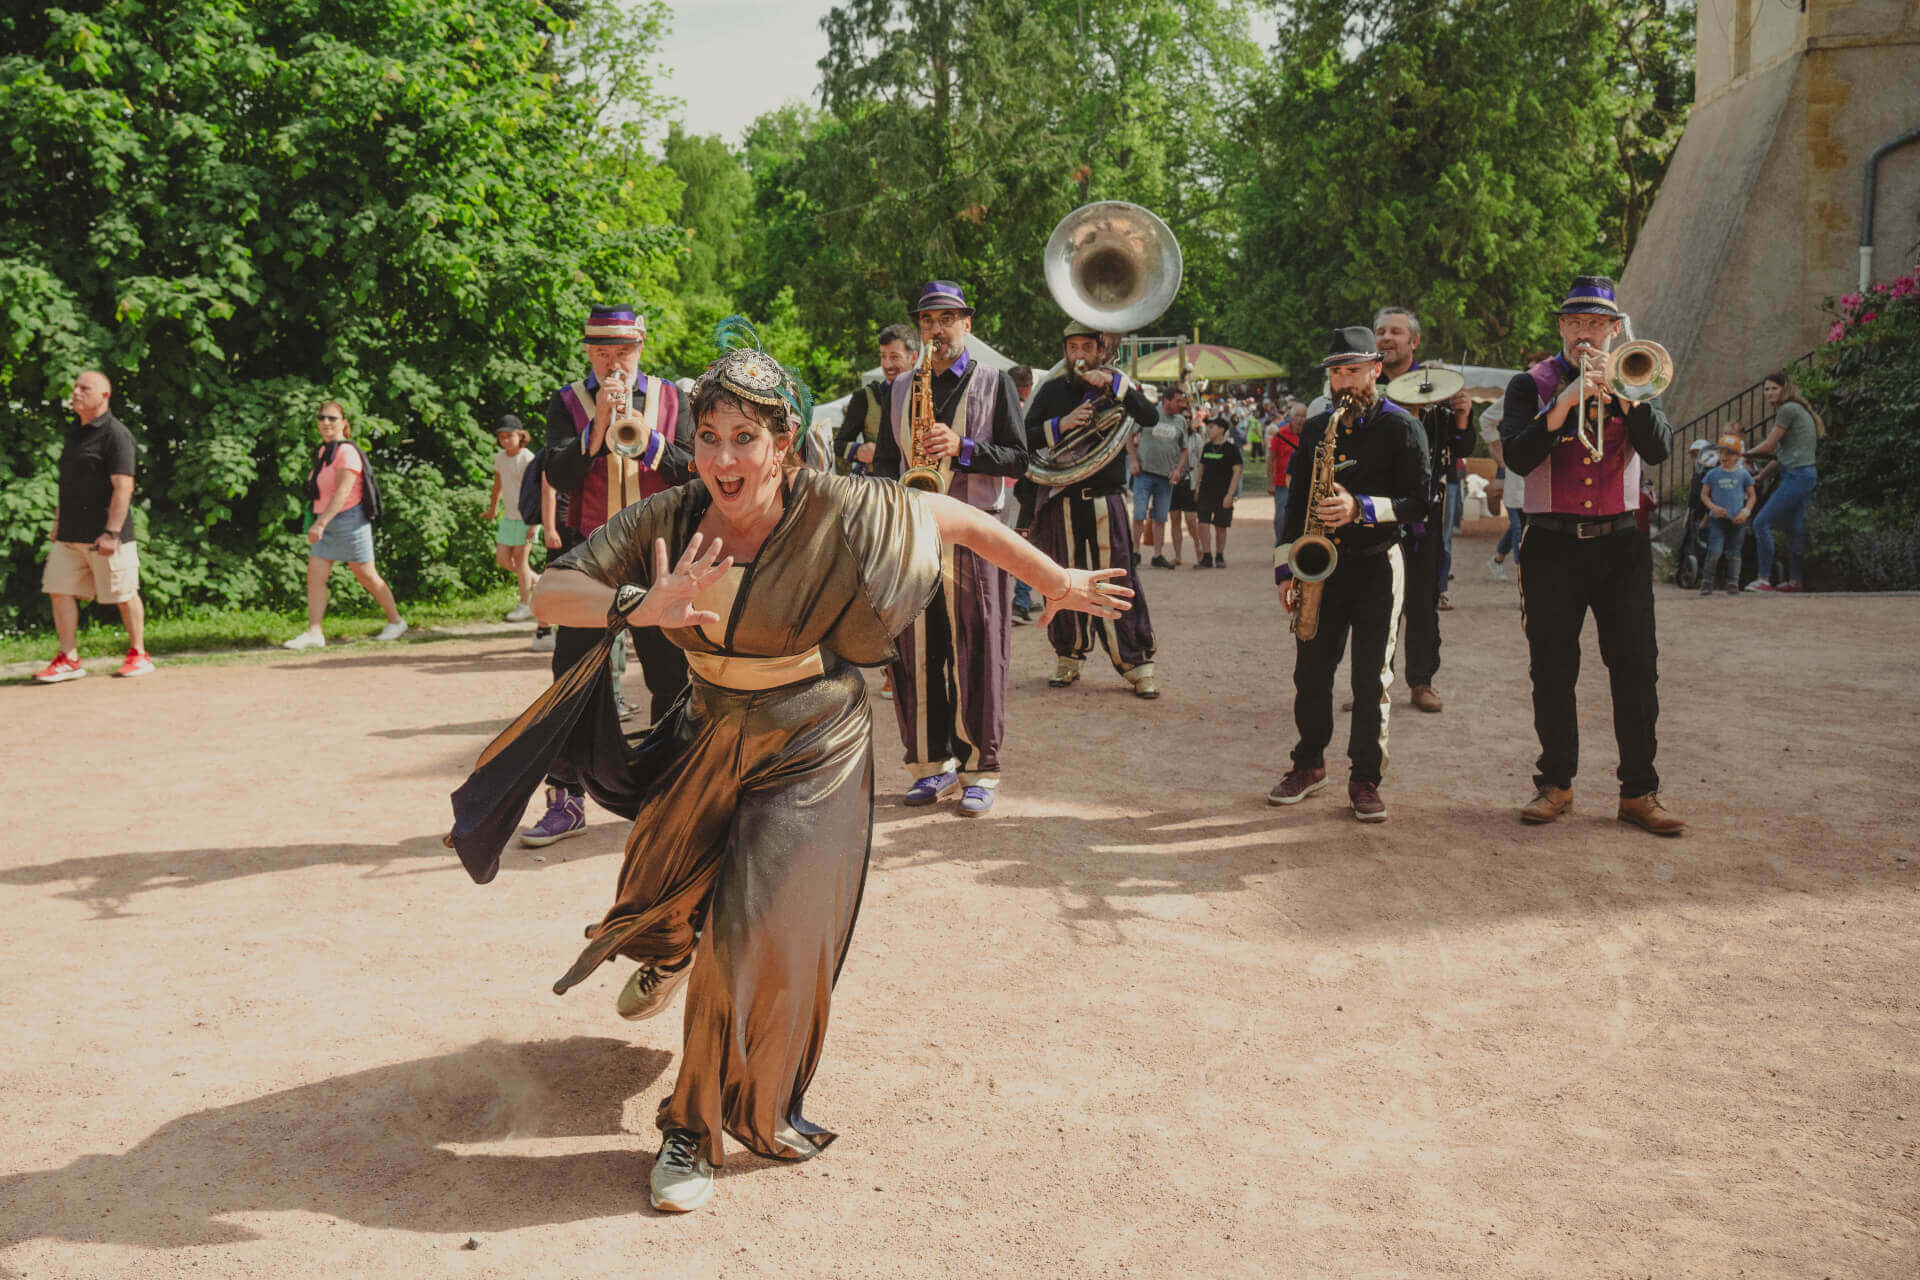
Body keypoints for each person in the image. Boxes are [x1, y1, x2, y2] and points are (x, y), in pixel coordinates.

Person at [450, 344, 1130, 1214]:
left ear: (784, 445)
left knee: (749, 933)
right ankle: (663, 947)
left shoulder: (845, 506)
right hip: (707, 730)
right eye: (708, 437)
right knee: (652, 892)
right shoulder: (670, 516)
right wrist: (637, 606)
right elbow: (552, 592)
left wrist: (1058, 578)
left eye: (745, 438)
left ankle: (694, 1130)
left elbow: (956, 522)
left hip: (814, 738)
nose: (724, 459)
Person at [1499, 276, 1683, 836]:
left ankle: (1639, 792)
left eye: (1597, 325)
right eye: (1576, 323)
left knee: (1635, 669)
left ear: (1614, 330)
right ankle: (1556, 783)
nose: (1586, 335)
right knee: (1553, 668)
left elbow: (1658, 449)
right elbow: (1517, 458)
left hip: (1620, 543)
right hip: (1551, 543)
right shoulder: (1529, 385)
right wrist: (1562, 406)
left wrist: (1629, 397)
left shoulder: (1639, 375)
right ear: (1561, 327)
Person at [522, 305, 694, 847]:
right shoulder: (568, 400)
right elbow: (554, 473)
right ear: (588, 352)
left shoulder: (673, 398)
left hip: (660, 552)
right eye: (600, 352)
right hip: (589, 555)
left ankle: (675, 794)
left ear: (641, 346)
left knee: (671, 677)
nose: (611, 362)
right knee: (574, 675)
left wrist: (651, 442)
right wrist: (596, 427)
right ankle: (566, 799)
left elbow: (693, 469)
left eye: (621, 351)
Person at [869, 282, 1028, 813]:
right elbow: (886, 466)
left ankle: (981, 769)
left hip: (975, 534)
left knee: (978, 650)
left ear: (968, 323)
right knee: (917, 653)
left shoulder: (996, 383)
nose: (937, 330)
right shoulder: (899, 388)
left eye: (947, 319)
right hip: (913, 534)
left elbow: (1018, 459)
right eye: (927, 321)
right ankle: (931, 766)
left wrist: (962, 448)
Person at [1268, 327, 1428, 821]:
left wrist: (1360, 506)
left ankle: (1365, 778)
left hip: (1378, 563)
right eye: (1336, 372)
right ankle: (1309, 764)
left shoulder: (1403, 427)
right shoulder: (1317, 427)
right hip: (1321, 569)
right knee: (1310, 673)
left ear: (1376, 369)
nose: (1343, 382)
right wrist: (1284, 569)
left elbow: (1420, 503)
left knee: (1369, 678)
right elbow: (1295, 504)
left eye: (1353, 371)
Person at [1024, 320, 1162, 697]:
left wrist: (1117, 388)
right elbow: (1024, 438)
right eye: (1073, 348)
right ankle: (1068, 656)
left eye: (1087, 347)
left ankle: (1136, 664)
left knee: (1119, 581)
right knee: (1062, 579)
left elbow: (1150, 418)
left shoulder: (1120, 387)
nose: (1080, 355)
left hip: (1106, 498)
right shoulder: (1051, 391)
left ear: (1101, 349)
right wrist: (1062, 424)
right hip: (1062, 499)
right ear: (1065, 352)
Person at [1373, 306, 1472, 714]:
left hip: (1423, 516)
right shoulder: (1364, 384)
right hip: (1373, 512)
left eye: (1395, 331)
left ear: (1414, 342)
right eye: (1380, 330)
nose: (1385, 337)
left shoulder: (1439, 389)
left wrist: (1463, 415)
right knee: (1375, 602)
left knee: (1422, 600)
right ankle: (1373, 682)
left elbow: (1463, 450)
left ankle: (1421, 682)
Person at [35, 370, 152, 683]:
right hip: (71, 535)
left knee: (125, 594)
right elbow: (70, 483)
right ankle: (69, 659)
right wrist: (59, 522)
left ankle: (139, 654)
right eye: (75, 386)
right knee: (58, 590)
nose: (75, 392)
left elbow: (123, 486)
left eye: (84, 388)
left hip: (107, 536)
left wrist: (112, 532)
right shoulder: (76, 431)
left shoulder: (116, 434)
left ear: (104, 395)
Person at [282, 400, 406, 651]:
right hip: (325, 520)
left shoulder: (347, 452)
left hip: (350, 520)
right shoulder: (324, 451)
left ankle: (396, 621)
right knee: (315, 574)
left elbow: (343, 492)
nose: (325, 423)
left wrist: (320, 523)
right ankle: (314, 632)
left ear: (344, 423)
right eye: (321, 418)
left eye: (332, 418)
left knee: (366, 576)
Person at [1745, 368, 1823, 592]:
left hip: (1796, 477)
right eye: (1766, 389)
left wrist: (1745, 453)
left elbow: (1768, 447)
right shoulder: (1795, 410)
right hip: (1803, 474)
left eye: (1774, 388)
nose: (1769, 393)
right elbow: (1780, 456)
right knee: (1795, 529)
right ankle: (1795, 581)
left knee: (1761, 522)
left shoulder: (1787, 410)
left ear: (1784, 389)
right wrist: (1761, 475)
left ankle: (1763, 579)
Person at [832, 323, 919, 475]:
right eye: (883, 356)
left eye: (894, 357)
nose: (887, 364)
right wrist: (858, 450)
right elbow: (838, 445)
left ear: (913, 357)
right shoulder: (864, 397)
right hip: (878, 489)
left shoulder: (928, 394)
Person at [483, 414, 539, 622]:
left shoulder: (527, 458)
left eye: (509, 436)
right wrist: (492, 509)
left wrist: (535, 522)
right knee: (503, 559)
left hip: (527, 517)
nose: (505, 440)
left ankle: (525, 605)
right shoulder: (500, 457)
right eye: (502, 437)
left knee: (521, 562)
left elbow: (536, 490)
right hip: (508, 517)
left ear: (520, 436)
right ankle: (537, 580)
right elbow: (497, 485)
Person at [1130, 386, 1189, 569]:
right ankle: (1135, 552)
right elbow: (1128, 437)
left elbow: (1185, 449)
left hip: (1166, 478)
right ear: (1167, 400)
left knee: (1161, 517)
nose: (1181, 405)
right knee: (1139, 514)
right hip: (1144, 474)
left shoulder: (1180, 421)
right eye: (1178, 401)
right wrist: (1133, 460)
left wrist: (1178, 470)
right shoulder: (1149, 415)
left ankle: (1157, 554)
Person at [1698, 432, 1755, 595]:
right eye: (1721, 452)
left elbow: (1752, 496)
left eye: (1729, 453)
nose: (1724, 456)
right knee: (1714, 551)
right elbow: (1704, 495)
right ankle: (1707, 582)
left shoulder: (1743, 474)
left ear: (1738, 456)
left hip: (1738, 520)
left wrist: (1746, 511)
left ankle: (1732, 583)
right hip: (1717, 519)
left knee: (1734, 552)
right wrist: (1713, 508)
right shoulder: (1713, 474)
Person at [1194, 416, 1243, 568]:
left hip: (1223, 493)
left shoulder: (1231, 449)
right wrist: (1197, 487)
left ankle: (1220, 555)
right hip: (1205, 492)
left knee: (1220, 525)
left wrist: (1230, 494)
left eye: (1212, 427)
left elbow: (1237, 472)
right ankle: (1207, 556)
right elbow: (1201, 468)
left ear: (1222, 429)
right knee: (1203, 523)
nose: (1209, 430)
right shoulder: (1207, 447)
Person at [1168, 400, 1209, 566]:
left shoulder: (1196, 438)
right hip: (1172, 482)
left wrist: (1199, 484)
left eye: (1188, 417)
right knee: (1174, 519)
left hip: (1189, 481)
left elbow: (1201, 462)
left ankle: (1198, 547)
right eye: (1182, 417)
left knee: (1191, 520)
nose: (1185, 420)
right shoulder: (1171, 436)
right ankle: (1178, 555)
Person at [1267, 401, 1304, 549]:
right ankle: (1281, 546)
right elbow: (1271, 459)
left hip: (1303, 484)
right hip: (1283, 484)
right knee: (1281, 518)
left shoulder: (1311, 433)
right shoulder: (1280, 435)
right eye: (1297, 416)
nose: (1301, 419)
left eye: (1303, 416)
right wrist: (1270, 482)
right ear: (1291, 417)